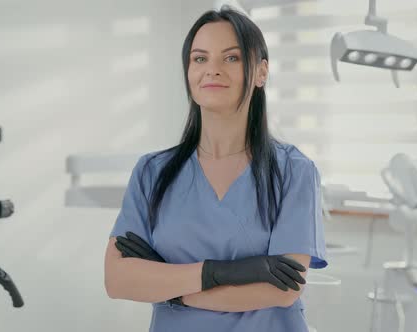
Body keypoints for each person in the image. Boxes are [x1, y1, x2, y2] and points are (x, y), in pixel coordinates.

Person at [104, 6, 327, 332]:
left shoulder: (293, 171)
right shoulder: (152, 173)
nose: (213, 69)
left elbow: (283, 289)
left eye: (232, 58)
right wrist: (219, 272)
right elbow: (118, 279)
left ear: (261, 72)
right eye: (200, 58)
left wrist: (172, 290)